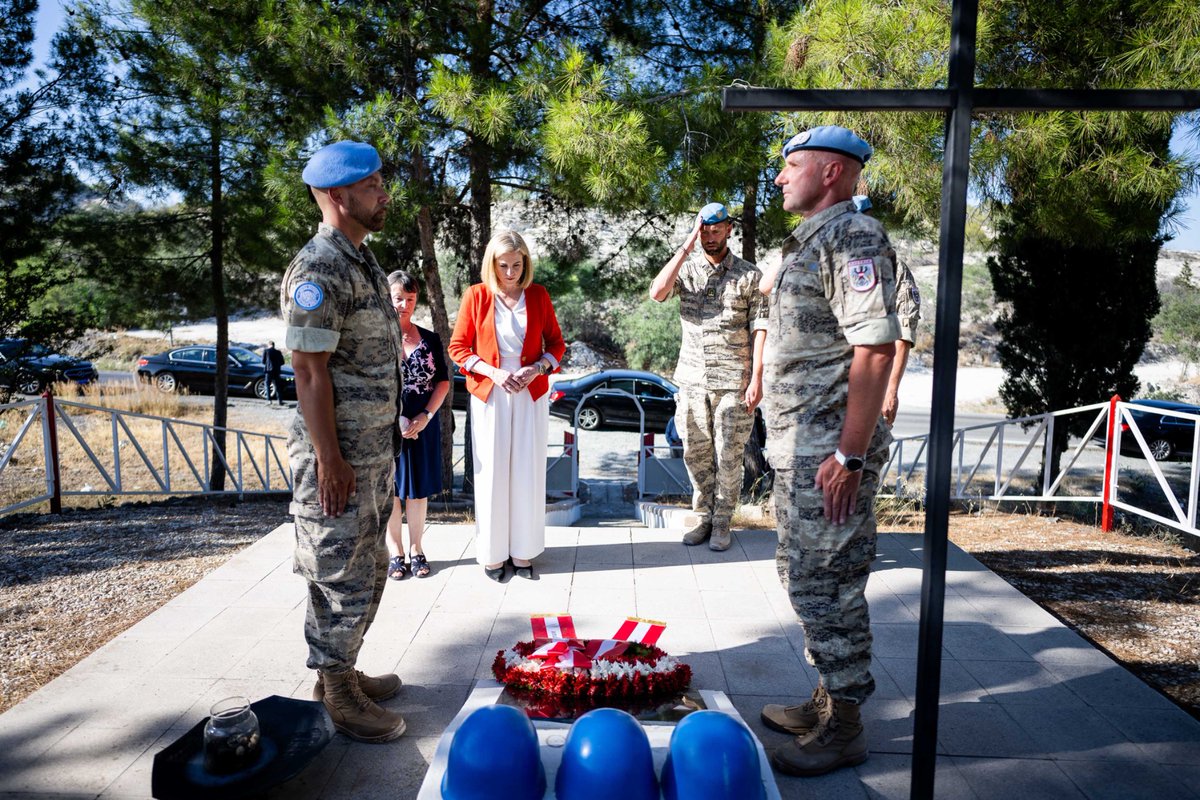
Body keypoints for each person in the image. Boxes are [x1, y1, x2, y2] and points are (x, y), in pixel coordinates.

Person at [757, 126, 899, 776]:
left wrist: (849, 456)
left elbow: (875, 349)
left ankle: (845, 726)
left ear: (832, 172)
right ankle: (826, 700)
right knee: (804, 576)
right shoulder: (814, 239)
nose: (780, 176)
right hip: (800, 446)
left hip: (828, 454)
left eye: (793, 165)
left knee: (828, 583)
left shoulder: (853, 236)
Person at [280, 140, 406, 743]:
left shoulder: (360, 259)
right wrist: (330, 460)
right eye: (372, 185)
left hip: (370, 452)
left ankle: (343, 669)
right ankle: (335, 691)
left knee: (369, 566)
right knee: (338, 573)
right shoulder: (319, 268)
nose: (384, 194)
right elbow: (308, 372)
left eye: (381, 182)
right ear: (337, 195)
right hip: (339, 458)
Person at [648, 202, 767, 551]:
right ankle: (703, 517)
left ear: (729, 229)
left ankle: (722, 521)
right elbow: (657, 292)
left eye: (716, 230)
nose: (710, 237)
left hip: (733, 381)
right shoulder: (686, 270)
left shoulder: (749, 275)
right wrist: (686, 245)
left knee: (728, 454)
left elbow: (761, 328)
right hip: (691, 380)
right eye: (704, 231)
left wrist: (757, 379)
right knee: (695, 454)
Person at [448, 230, 566, 582]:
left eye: (517, 265)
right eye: (504, 266)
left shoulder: (539, 295)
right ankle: (493, 554)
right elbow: (458, 348)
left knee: (527, 470)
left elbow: (556, 345)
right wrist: (494, 373)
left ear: (525, 263)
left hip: (530, 393)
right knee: (492, 473)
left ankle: (523, 551)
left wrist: (537, 368)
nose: (511, 272)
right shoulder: (476, 295)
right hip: (490, 393)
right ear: (492, 264)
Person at [385, 269, 450, 580]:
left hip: (422, 424)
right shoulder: (377, 338)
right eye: (398, 298)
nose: (404, 305)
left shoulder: (430, 339)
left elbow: (443, 382)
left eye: (410, 299)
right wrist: (394, 416)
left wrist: (425, 416)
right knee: (391, 489)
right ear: (387, 297)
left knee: (417, 490)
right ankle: (395, 552)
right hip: (387, 424)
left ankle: (416, 549)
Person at [853, 195, 922, 425]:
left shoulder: (894, 268)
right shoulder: (830, 264)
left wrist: (891, 390)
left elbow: (904, 332)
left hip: (873, 388)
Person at [261, 340, 286, 405]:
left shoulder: (266, 351)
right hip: (276, 371)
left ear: (269, 345)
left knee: (267, 385)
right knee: (278, 386)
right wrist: (277, 365)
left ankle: (269, 400)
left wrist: (268, 364)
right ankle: (280, 400)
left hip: (268, 371)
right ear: (274, 345)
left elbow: (263, 361)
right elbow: (282, 362)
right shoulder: (278, 352)